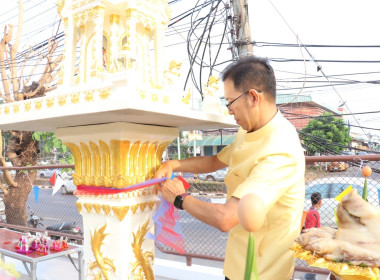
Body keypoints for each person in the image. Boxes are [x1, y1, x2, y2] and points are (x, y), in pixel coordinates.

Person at [155, 55, 305, 280]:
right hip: (238, 263)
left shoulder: (280, 150)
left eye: (230, 102)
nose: (229, 111)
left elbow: (225, 218)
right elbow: (216, 161)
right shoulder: (250, 129)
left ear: (252, 97)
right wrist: (173, 163)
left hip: (261, 272)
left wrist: (179, 198)